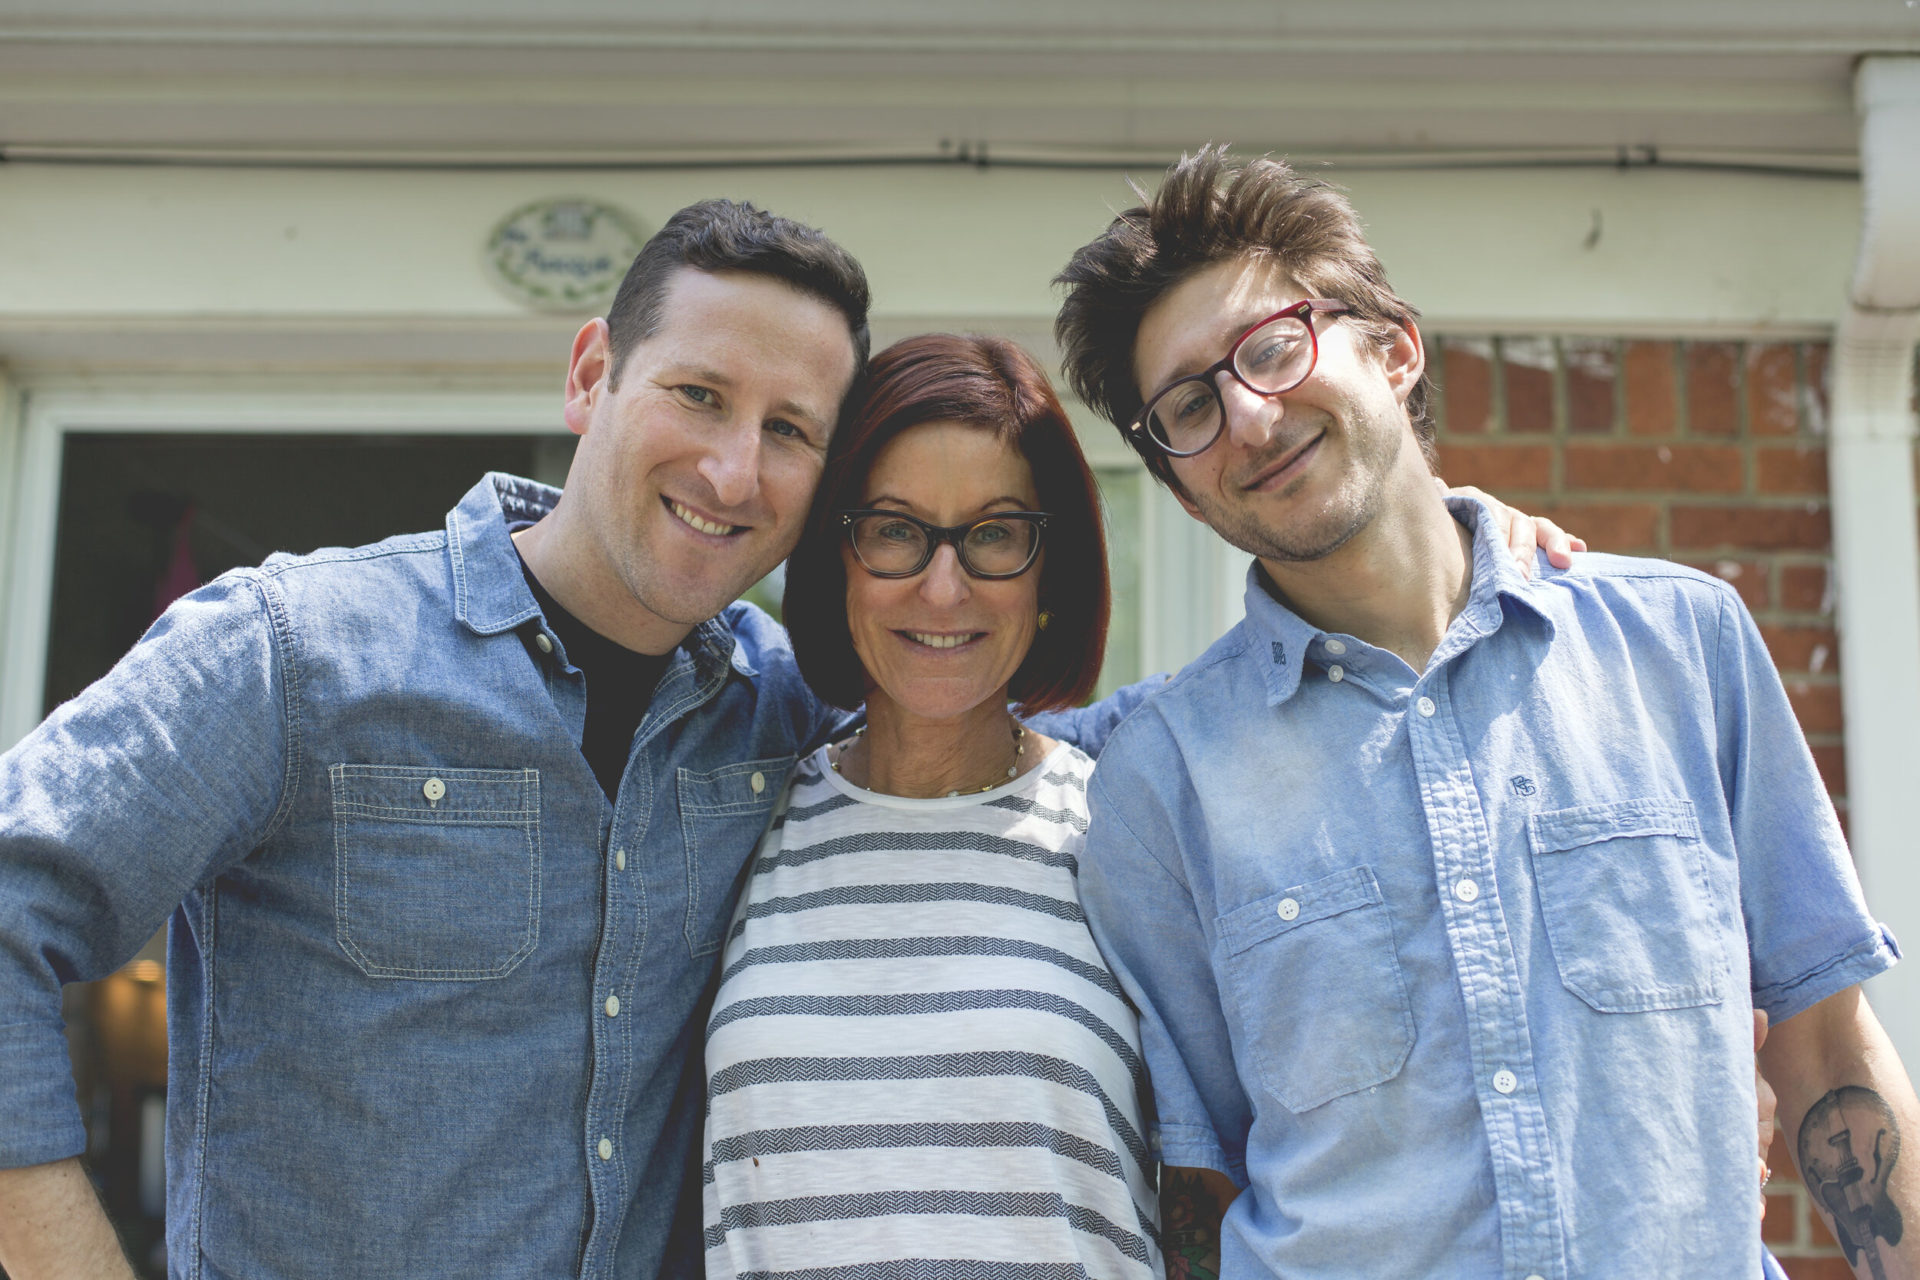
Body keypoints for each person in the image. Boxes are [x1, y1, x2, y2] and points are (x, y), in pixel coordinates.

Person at [0, 195, 1565, 1279]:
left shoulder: (776, 717)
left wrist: (1466, 552)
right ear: (590, 375)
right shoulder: (300, 653)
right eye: (697, 392)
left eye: (794, 433)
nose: (735, 468)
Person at [1053, 145, 1917, 1278]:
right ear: (1178, 484)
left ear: (1396, 347)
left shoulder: (1681, 644)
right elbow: (1202, 1188)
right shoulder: (1158, 777)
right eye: (1190, 406)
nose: (1252, 418)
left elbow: (1824, 1041)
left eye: (1274, 347)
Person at [700, 334, 1158, 1278]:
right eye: (895, 529)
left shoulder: (1131, 836)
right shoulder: (737, 814)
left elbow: (1221, 1187)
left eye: (993, 534)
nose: (942, 588)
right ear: (837, 560)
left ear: (1048, 576)